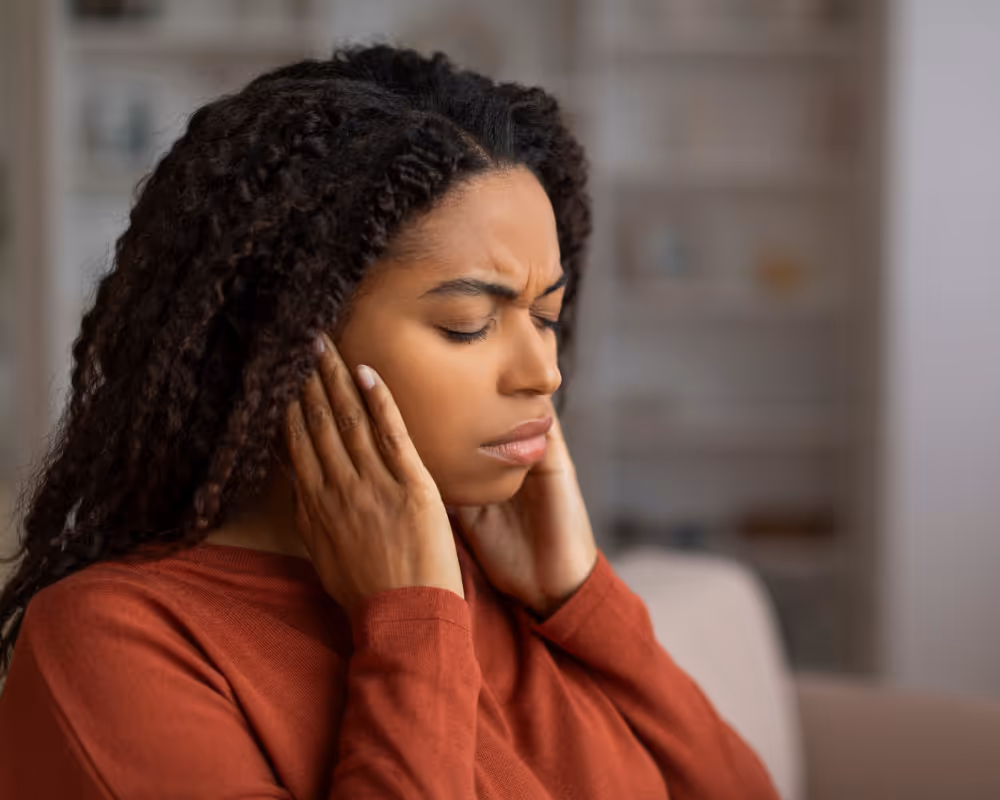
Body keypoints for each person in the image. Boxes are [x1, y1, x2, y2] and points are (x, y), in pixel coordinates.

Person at [0, 43, 780, 799]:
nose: (545, 371)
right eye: (470, 323)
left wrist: (581, 597)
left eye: (546, 317)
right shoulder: (116, 641)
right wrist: (411, 628)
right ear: (287, 341)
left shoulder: (508, 582)